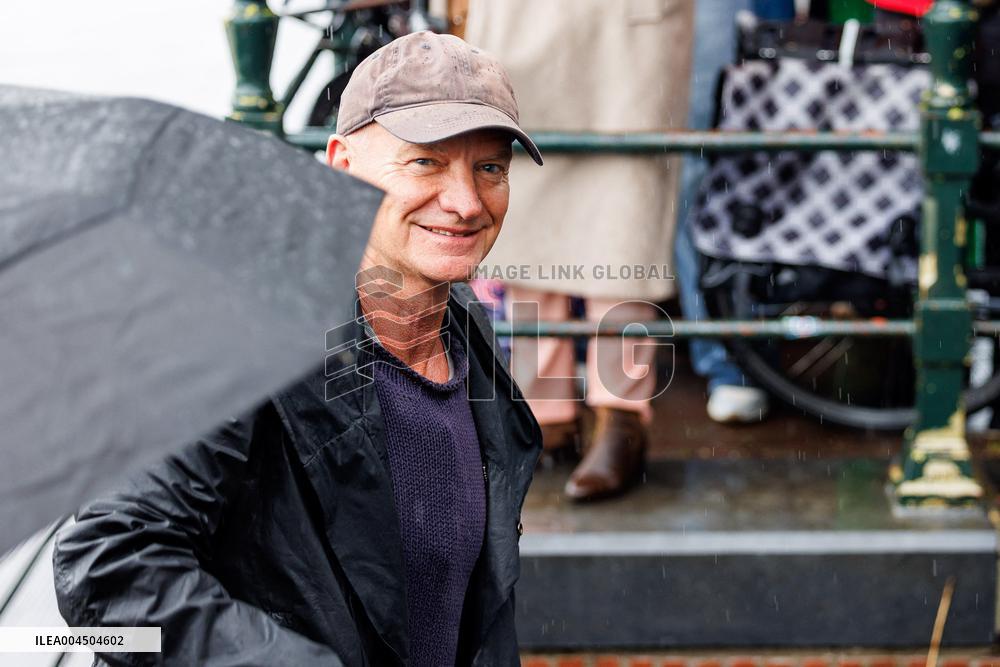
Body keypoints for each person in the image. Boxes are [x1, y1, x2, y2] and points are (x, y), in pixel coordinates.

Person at [52, 31, 543, 667]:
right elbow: (106, 565)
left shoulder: (467, 331)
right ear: (341, 168)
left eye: (491, 168)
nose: (466, 202)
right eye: (425, 161)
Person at [463, 0, 693, 501]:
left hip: (627, 28)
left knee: (626, 209)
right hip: (522, 23)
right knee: (524, 190)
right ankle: (544, 410)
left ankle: (621, 413)